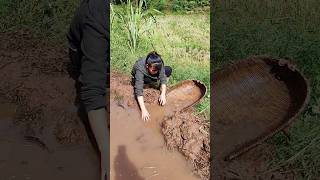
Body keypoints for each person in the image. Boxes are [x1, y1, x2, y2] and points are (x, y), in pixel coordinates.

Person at [67, 0, 109, 180]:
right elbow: (92, 90)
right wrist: (107, 152)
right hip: (80, 49)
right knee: (96, 83)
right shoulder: (98, 13)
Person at [131, 51, 172, 121]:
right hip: (142, 76)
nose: (156, 72)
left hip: (150, 73)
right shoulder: (140, 68)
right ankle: (147, 84)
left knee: (168, 70)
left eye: (157, 70)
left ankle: (158, 87)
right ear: (147, 66)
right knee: (144, 83)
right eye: (154, 70)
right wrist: (143, 110)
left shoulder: (159, 63)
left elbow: (163, 78)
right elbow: (138, 91)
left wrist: (163, 94)